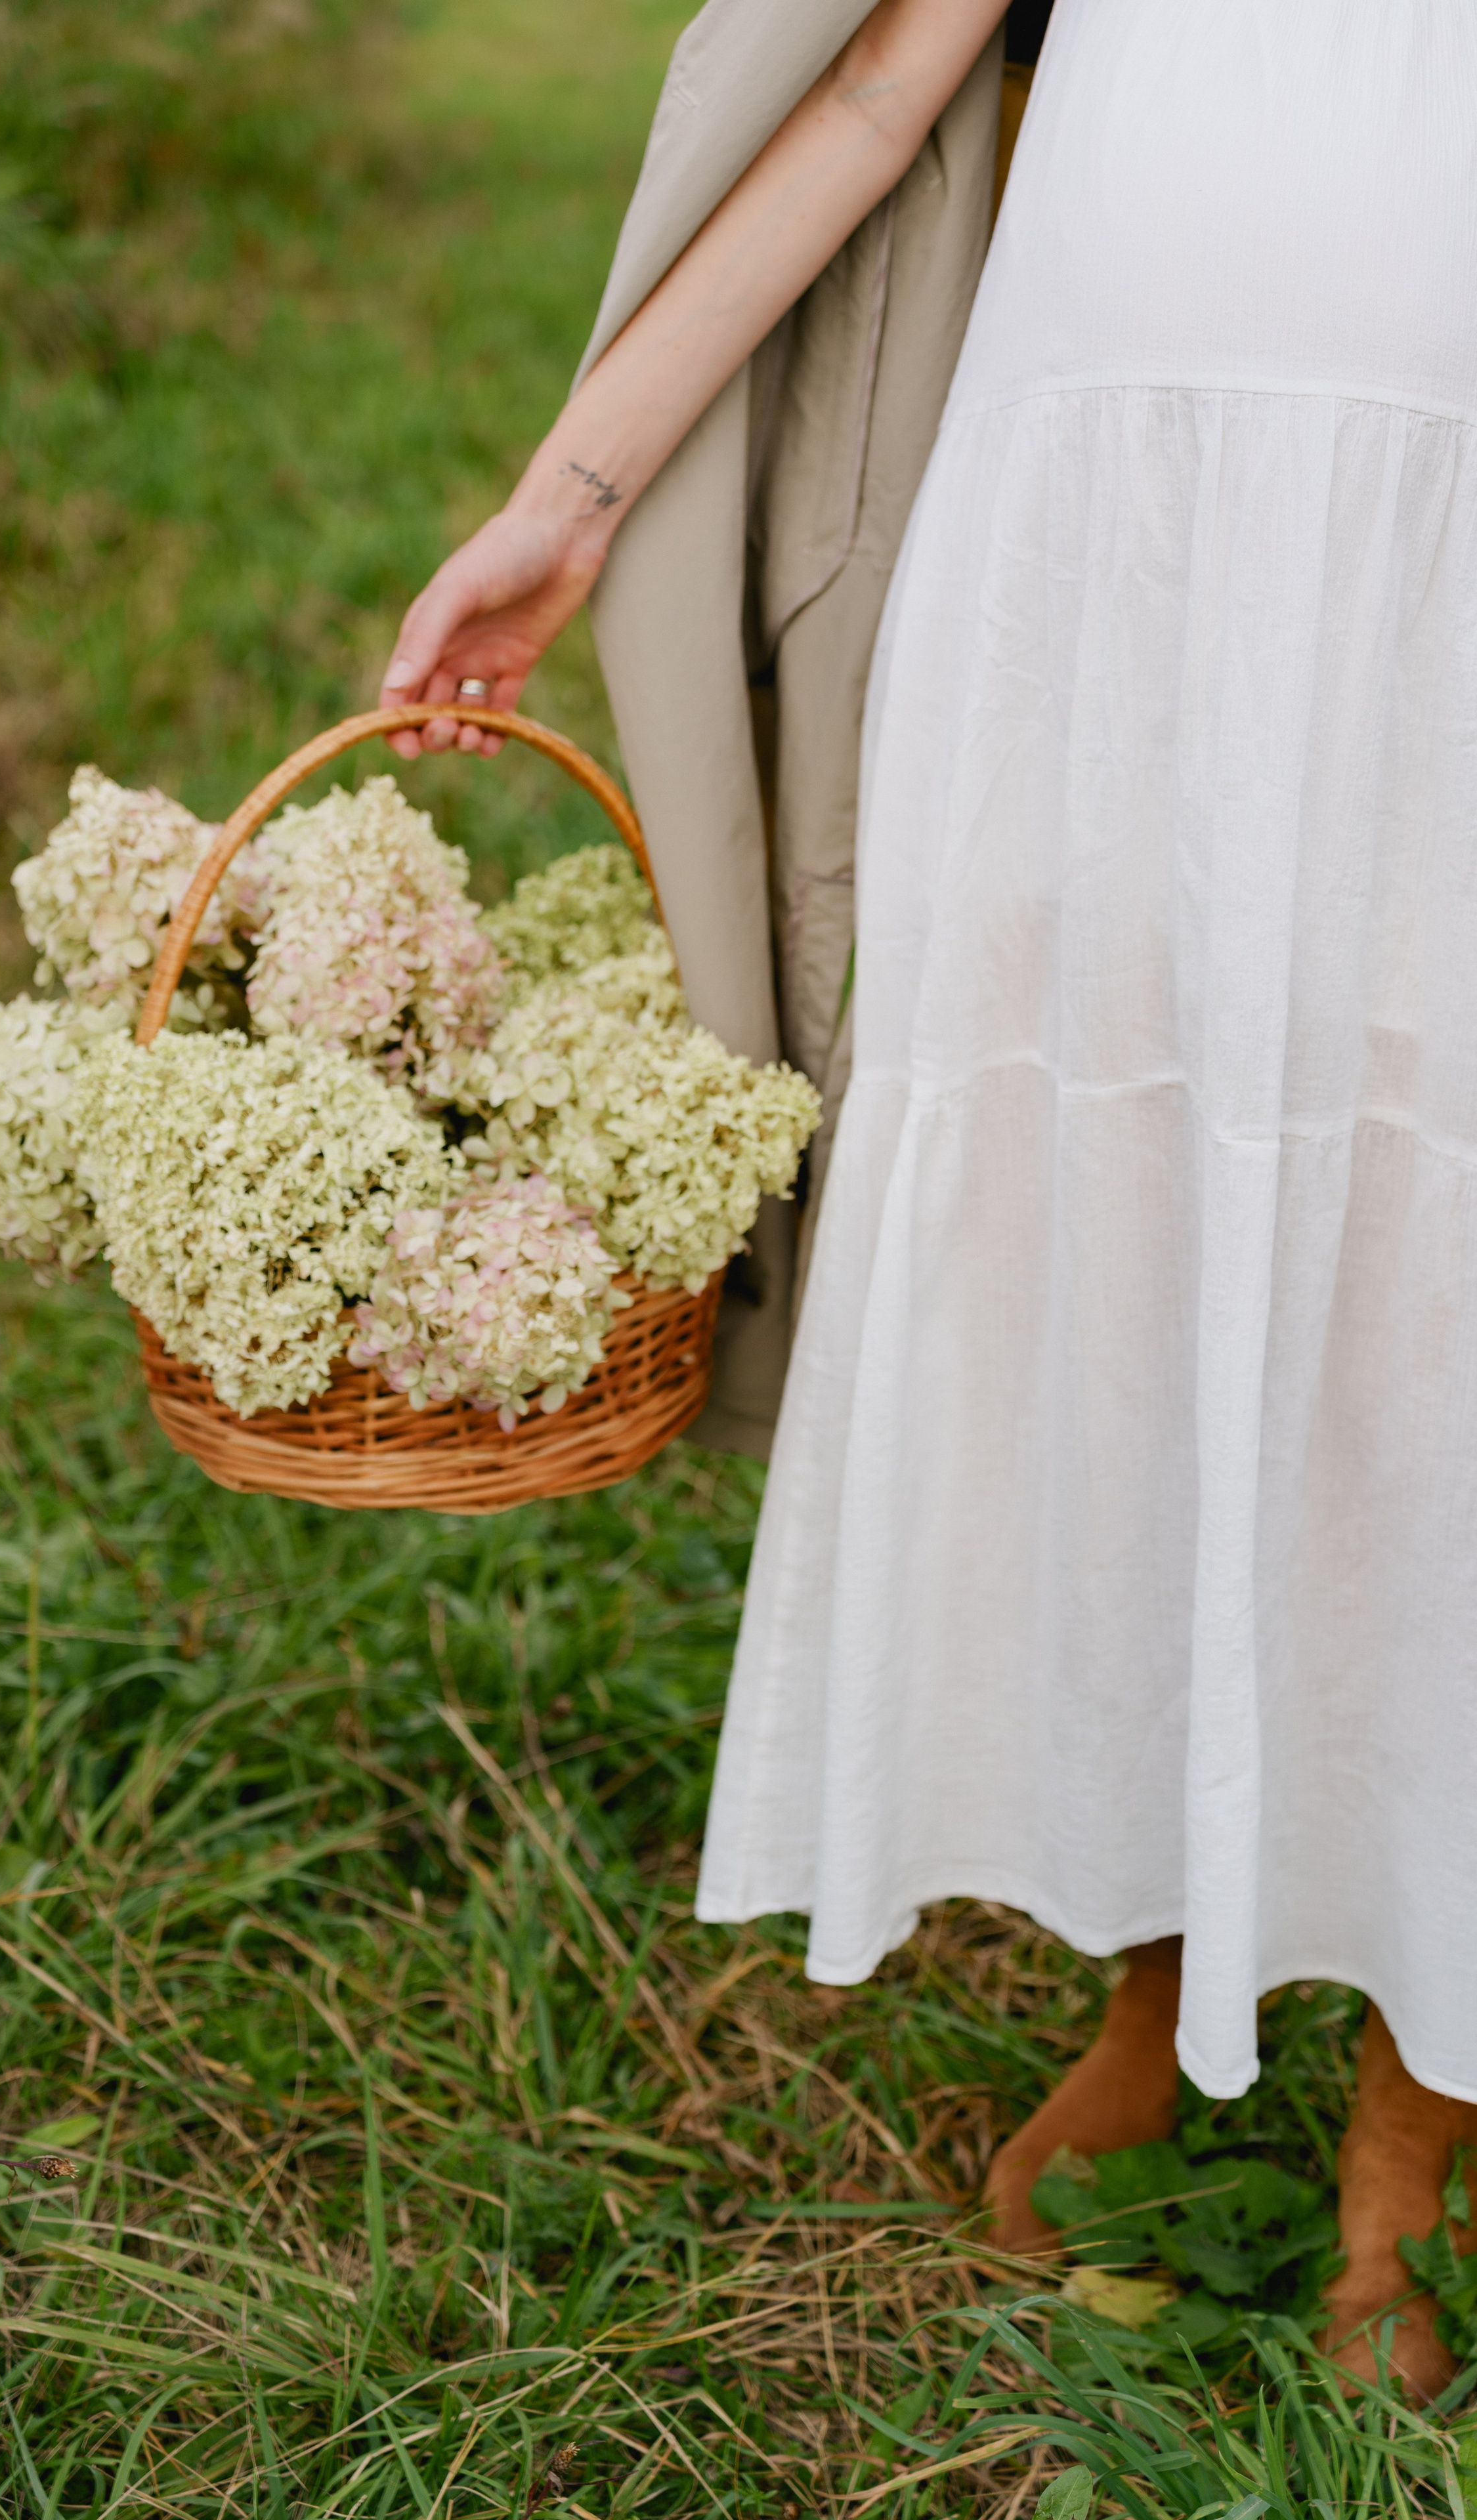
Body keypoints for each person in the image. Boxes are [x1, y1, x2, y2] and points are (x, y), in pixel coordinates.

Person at [381, 0, 1477, 2399]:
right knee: (1119, 1231)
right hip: (1098, 532)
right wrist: (576, 494)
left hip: (1443, 530)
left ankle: (1425, 2108)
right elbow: (879, 79)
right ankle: (1160, 1968)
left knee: (1434, 1268)